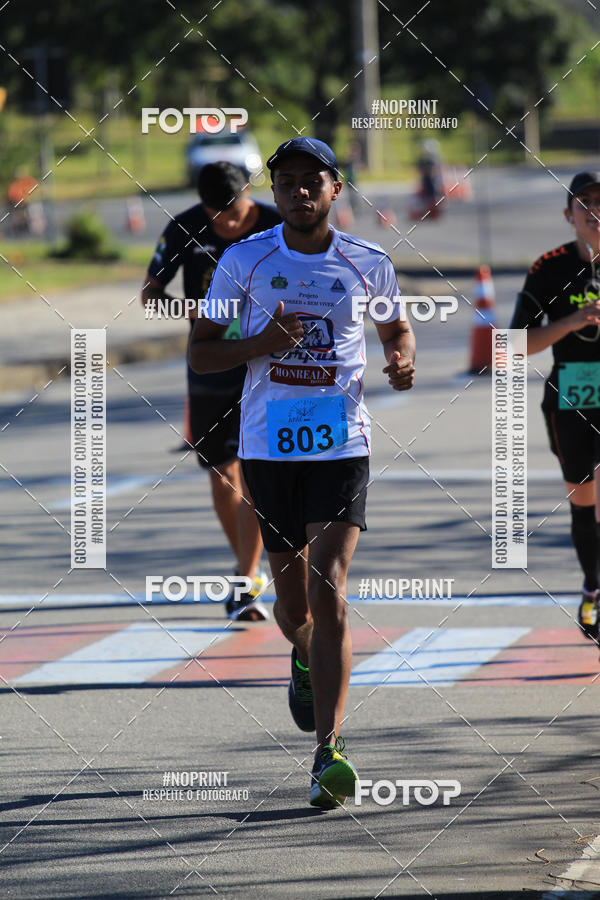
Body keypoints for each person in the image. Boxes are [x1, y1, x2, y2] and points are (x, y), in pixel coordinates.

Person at [189, 137, 416, 808]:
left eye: (311, 180)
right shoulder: (244, 261)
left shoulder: (368, 262)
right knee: (294, 611)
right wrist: (263, 343)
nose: (298, 192)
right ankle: (303, 653)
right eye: (285, 182)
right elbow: (201, 353)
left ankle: (329, 750)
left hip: (341, 445)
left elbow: (396, 330)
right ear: (275, 192)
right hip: (268, 448)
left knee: (330, 586)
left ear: (335, 188)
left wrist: (402, 359)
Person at [142, 161, 281, 620]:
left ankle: (246, 579)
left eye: (235, 214)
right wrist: (196, 311)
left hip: (265, 366)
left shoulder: (276, 224)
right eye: (217, 217)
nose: (228, 225)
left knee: (257, 472)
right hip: (210, 365)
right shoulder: (184, 227)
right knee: (223, 477)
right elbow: (150, 294)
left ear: (249, 195)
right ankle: (248, 568)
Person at [510, 171, 600, 642]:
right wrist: (571, 322)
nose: (594, 211)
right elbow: (515, 345)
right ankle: (592, 585)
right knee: (583, 503)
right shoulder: (549, 267)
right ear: (569, 215)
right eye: (584, 203)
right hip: (571, 394)